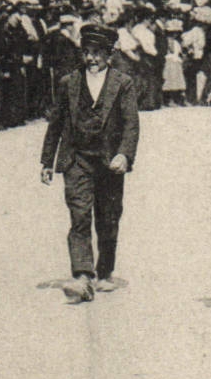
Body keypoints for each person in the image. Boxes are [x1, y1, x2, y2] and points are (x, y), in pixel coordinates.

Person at [40, 23, 141, 303]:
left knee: (108, 217)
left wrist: (125, 154)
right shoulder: (68, 83)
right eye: (87, 52)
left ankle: (105, 270)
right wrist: (47, 160)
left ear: (109, 55)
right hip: (77, 158)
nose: (92, 59)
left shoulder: (123, 83)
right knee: (79, 214)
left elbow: (131, 124)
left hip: (109, 161)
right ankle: (82, 274)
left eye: (98, 53)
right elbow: (56, 124)